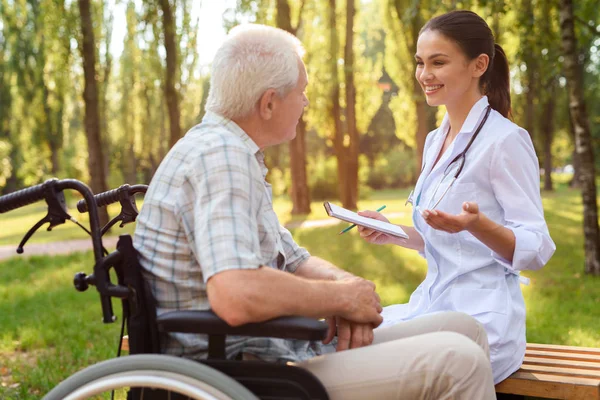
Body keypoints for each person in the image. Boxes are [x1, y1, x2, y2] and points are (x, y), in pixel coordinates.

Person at [134, 23, 496, 399]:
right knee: (460, 361)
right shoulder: (221, 158)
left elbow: (292, 258)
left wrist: (347, 288)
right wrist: (339, 300)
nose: (306, 103)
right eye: (301, 92)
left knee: (462, 328)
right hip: (241, 372)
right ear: (269, 102)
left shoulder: (230, 152)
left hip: (274, 351)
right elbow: (235, 292)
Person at [357, 10, 556, 384]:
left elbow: (538, 246)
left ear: (479, 65)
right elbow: (444, 234)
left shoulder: (505, 141)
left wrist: (480, 225)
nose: (424, 74)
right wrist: (392, 230)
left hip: (482, 321)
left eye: (438, 62)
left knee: (368, 363)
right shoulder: (436, 141)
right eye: (420, 62)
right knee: (346, 343)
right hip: (432, 305)